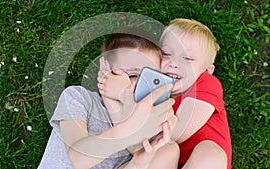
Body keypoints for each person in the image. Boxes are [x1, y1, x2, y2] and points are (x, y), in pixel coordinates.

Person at [98, 18, 232, 169]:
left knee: (211, 153)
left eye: (187, 58)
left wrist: (125, 97)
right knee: (162, 150)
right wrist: (109, 94)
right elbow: (133, 142)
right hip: (160, 162)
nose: (174, 63)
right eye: (166, 54)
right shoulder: (147, 87)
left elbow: (176, 132)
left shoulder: (206, 83)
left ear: (207, 71)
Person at [38, 31, 179, 169]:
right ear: (106, 72)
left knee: (168, 150)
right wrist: (129, 128)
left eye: (150, 77)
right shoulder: (79, 98)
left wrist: (137, 163)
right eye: (132, 75)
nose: (140, 85)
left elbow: (137, 155)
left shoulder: (150, 126)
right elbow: (78, 158)